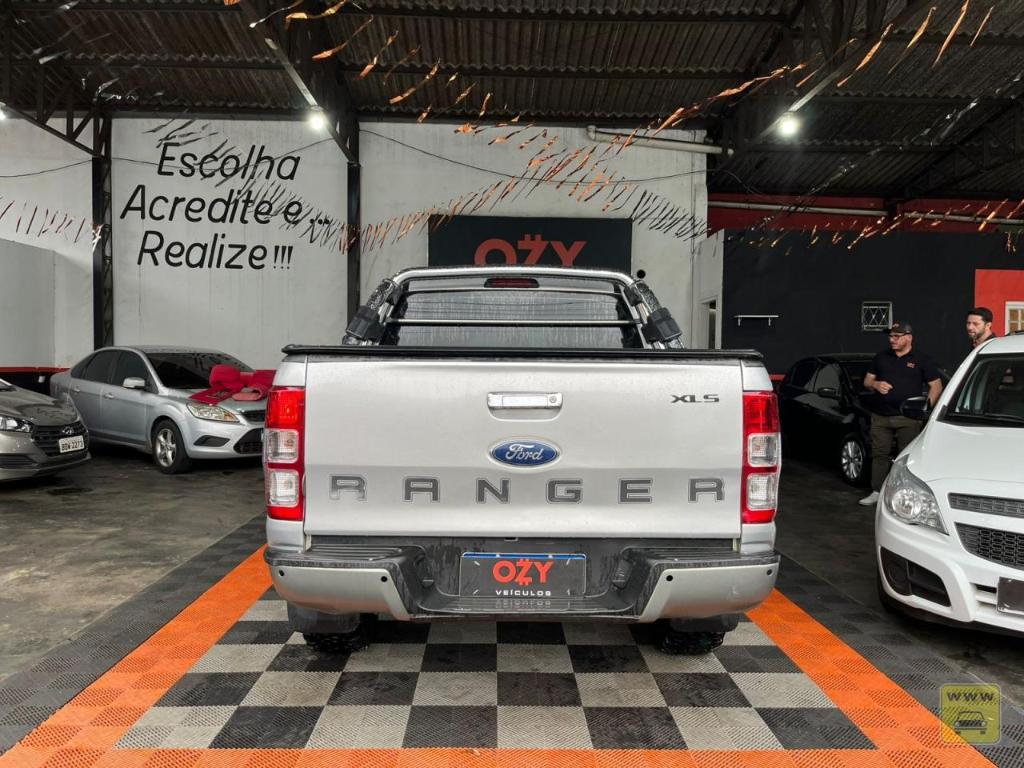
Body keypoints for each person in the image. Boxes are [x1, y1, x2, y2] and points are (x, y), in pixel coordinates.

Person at [858, 321, 944, 506]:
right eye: (891, 336)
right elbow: (867, 381)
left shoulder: (922, 359)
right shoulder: (881, 357)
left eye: (897, 336)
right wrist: (876, 384)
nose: (892, 339)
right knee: (879, 454)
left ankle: (905, 495)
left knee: (906, 458)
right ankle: (877, 492)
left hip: (908, 418)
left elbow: (936, 386)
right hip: (881, 416)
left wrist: (925, 409)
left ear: (909, 337)